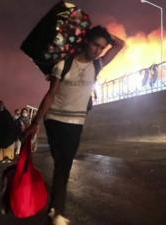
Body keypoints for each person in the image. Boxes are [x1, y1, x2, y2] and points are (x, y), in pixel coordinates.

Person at [24, 26, 124, 225]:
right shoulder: (64, 64)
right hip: (54, 120)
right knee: (62, 164)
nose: (97, 50)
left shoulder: (98, 65)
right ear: (86, 41)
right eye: (95, 44)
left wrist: (102, 33)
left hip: (76, 122)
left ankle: (55, 208)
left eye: (101, 47)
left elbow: (120, 44)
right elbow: (51, 94)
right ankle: (56, 211)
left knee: (64, 166)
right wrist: (36, 123)